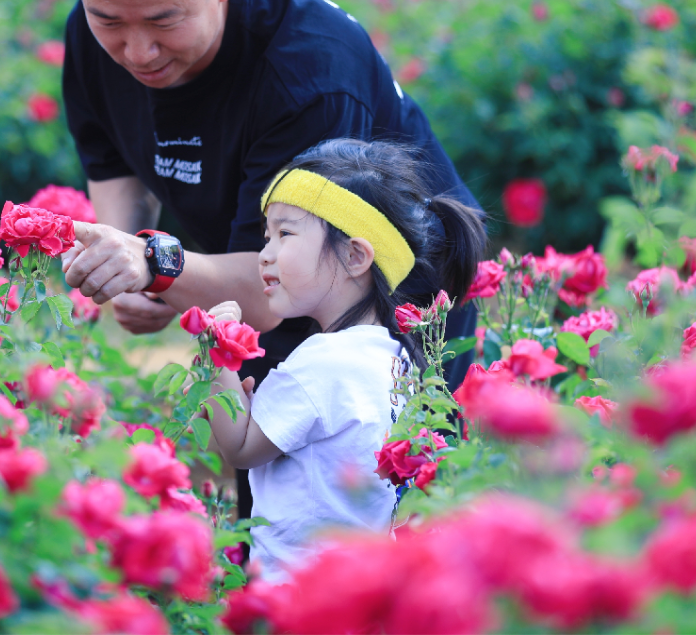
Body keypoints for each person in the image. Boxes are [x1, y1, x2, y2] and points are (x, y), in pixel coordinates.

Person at [56, 0, 483, 519]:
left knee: (372, 528)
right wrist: (126, 259)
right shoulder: (91, 37)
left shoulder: (307, 74)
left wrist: (157, 265)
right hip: (271, 276)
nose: (137, 50)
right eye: (110, 20)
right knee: (274, 528)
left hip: (385, 319)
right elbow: (109, 157)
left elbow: (278, 290)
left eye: (164, 21)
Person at [197, 138, 486, 581]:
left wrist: (217, 352)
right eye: (267, 235)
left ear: (354, 256)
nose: (265, 253)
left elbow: (239, 449)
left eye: (286, 233)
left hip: (293, 595)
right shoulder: (396, 360)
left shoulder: (322, 364)